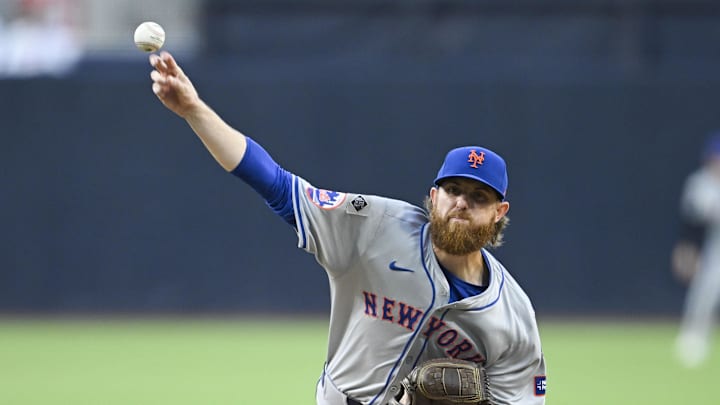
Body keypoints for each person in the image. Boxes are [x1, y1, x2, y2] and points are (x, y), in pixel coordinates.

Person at [148, 51, 546, 404]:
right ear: (433, 196)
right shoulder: (376, 227)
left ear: (499, 211)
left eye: (478, 197)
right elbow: (278, 185)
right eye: (453, 190)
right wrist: (194, 110)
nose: (462, 202)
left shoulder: (514, 316)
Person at [674, 133, 720, 368]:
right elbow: (691, 223)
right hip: (713, 250)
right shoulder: (700, 183)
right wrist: (686, 251)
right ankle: (692, 337)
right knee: (704, 293)